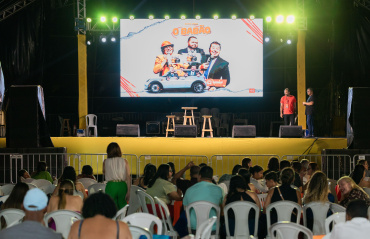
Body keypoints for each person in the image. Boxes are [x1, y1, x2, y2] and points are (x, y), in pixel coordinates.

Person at [183, 166, 224, 233]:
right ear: (212, 178)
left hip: (194, 229)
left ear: (199, 176)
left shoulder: (189, 190)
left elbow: (186, 211)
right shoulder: (219, 190)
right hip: (213, 229)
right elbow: (221, 212)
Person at [103, 142, 131, 210]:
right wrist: (128, 191)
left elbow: (104, 172)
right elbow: (128, 177)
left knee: (111, 206)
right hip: (122, 185)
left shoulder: (105, 161)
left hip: (111, 185)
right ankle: (122, 219)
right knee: (123, 205)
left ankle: (113, 220)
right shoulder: (124, 161)